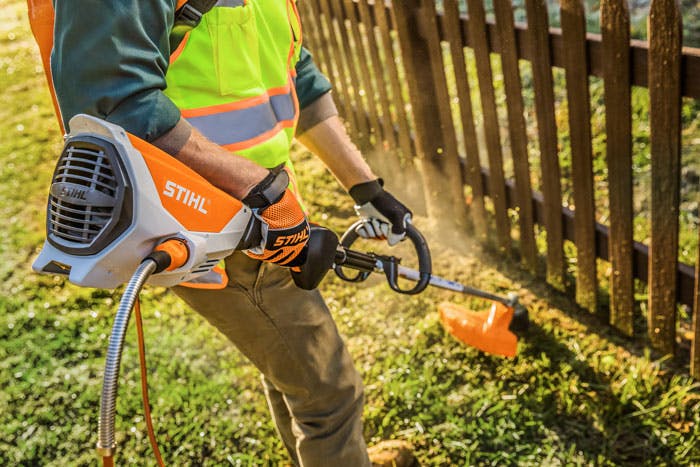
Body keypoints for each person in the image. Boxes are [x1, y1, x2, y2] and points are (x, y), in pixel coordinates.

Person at [49, 0, 414, 465]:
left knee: (291, 366)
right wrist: (262, 196)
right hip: (206, 219)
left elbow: (291, 70)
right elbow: (114, 100)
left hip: (260, 213)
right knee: (328, 393)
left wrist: (362, 185)